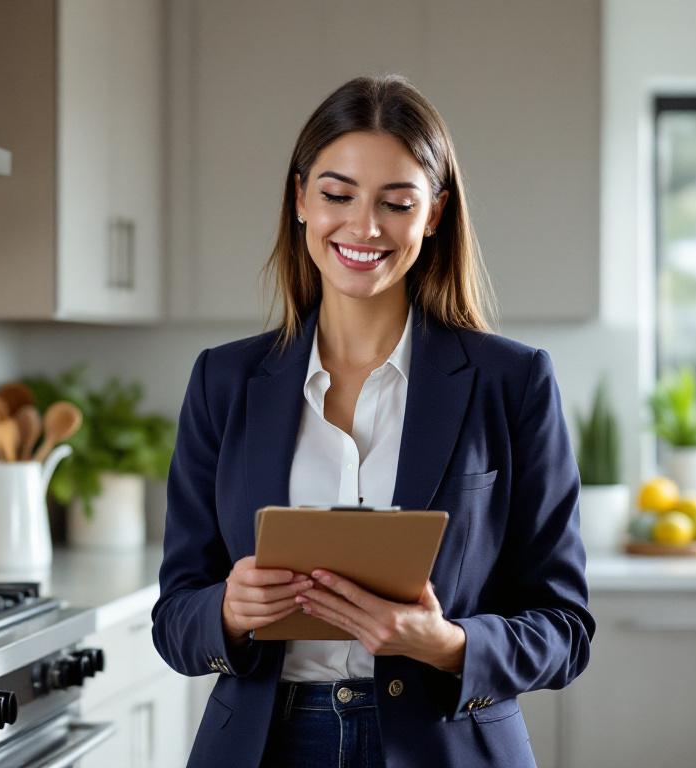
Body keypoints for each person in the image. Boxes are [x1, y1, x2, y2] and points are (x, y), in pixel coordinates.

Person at [151, 74, 594, 768]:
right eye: (337, 195)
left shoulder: (512, 383)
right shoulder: (224, 381)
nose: (364, 227)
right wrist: (228, 612)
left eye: (397, 203)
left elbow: (566, 630)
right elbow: (175, 616)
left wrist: (444, 643)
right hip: (267, 747)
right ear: (300, 198)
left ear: (435, 214)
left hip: (444, 746)